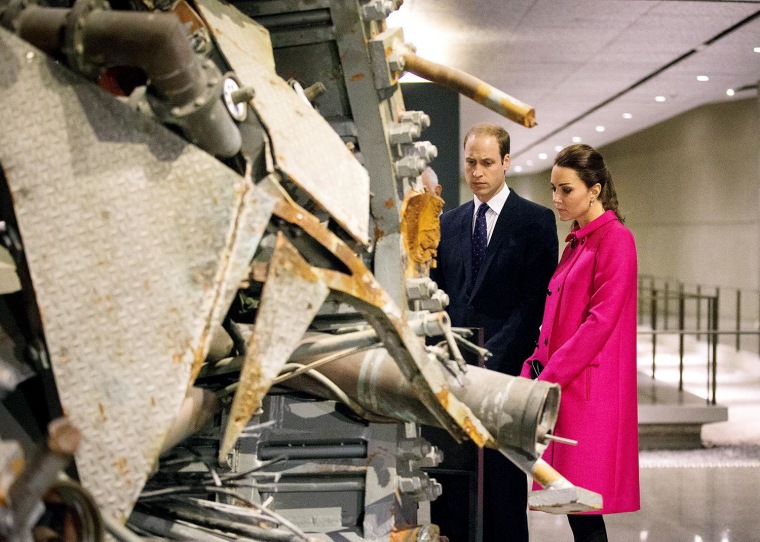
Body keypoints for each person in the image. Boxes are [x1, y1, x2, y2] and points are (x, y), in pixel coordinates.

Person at [431, 122, 558, 542]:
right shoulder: (448, 222)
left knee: (501, 486)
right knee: (454, 482)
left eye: (487, 162)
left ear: (506, 162)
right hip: (452, 373)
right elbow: (439, 296)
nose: (478, 171)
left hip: (504, 373)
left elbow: (532, 304)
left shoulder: (535, 221)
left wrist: (492, 357)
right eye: (471, 162)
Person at [520, 144, 640, 542]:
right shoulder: (578, 241)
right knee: (577, 509)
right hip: (568, 387)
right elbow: (555, 321)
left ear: (595, 189)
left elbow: (599, 322)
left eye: (565, 189)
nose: (556, 199)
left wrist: (548, 377)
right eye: (553, 189)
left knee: (583, 508)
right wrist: (534, 367)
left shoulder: (615, 240)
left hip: (588, 395)